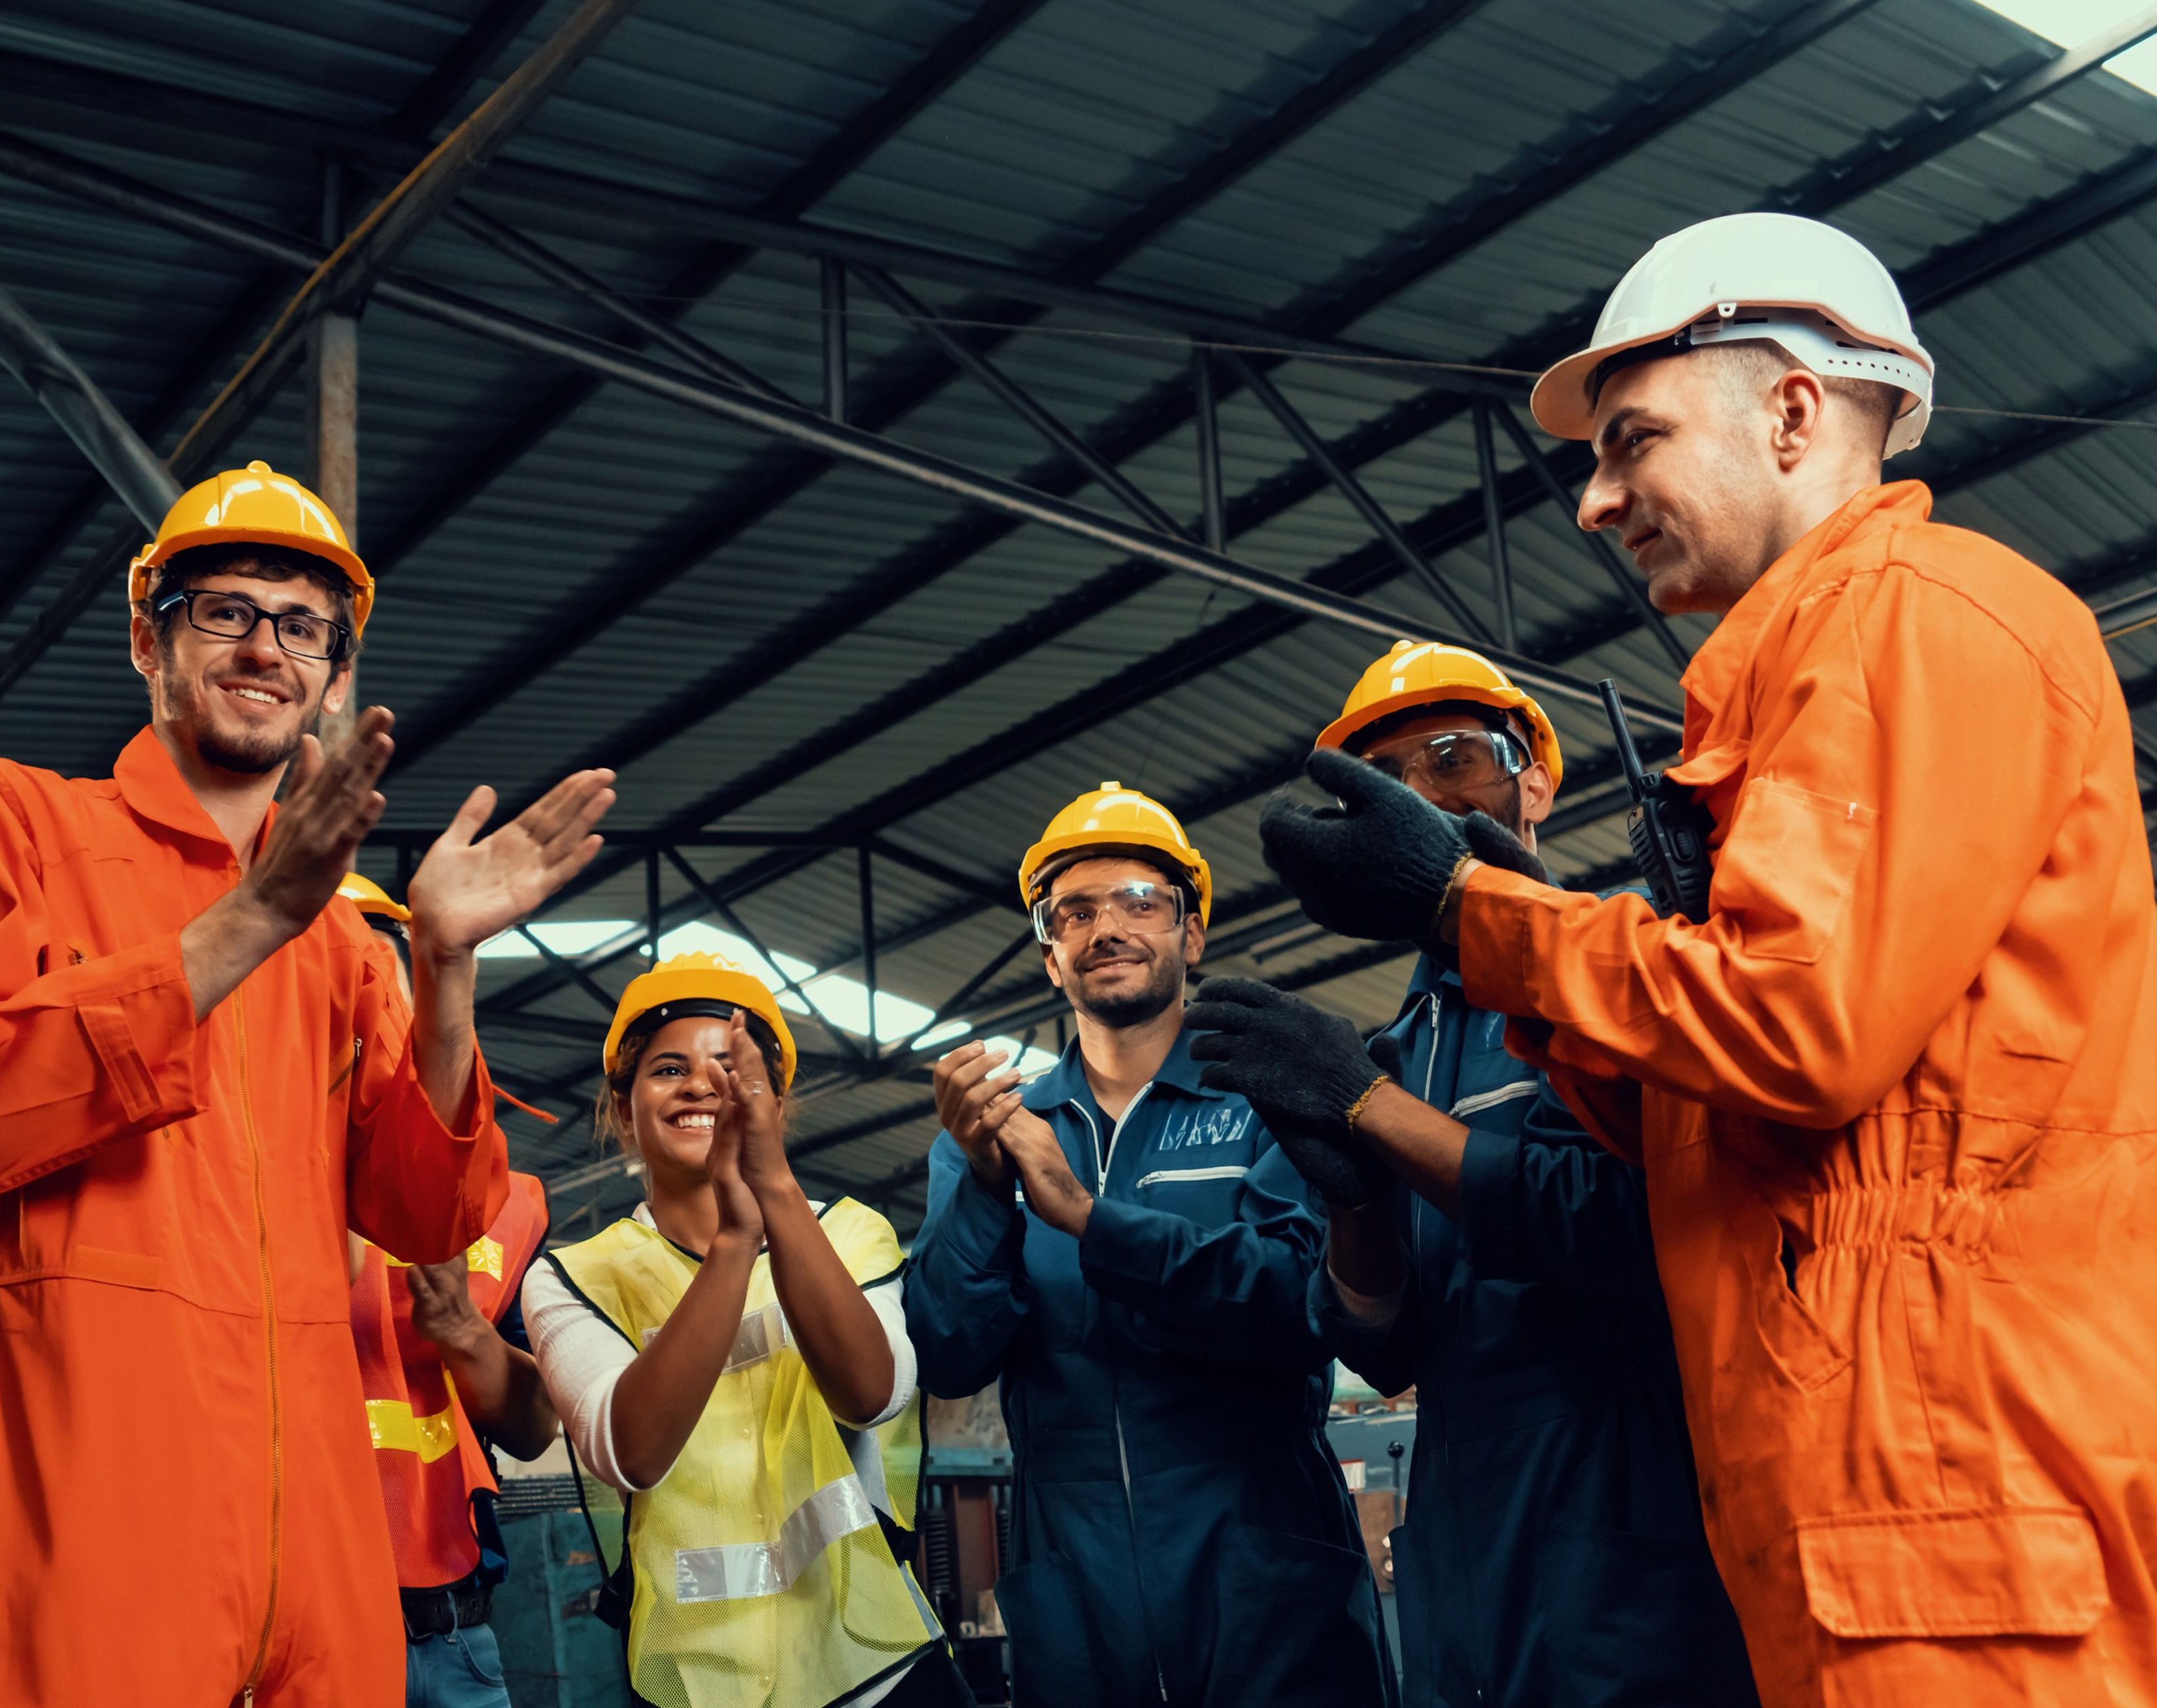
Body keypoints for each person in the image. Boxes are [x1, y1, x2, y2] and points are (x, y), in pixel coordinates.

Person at [1259, 213, 2157, 1705]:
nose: (1596, 501)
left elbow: (1804, 1026)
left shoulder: (1914, 622)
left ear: (1796, 411)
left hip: (1951, 1489)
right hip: (1867, 1493)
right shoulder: (1808, 668)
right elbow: (1731, 1110)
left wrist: (1469, 918)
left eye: (1633, 440)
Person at [0, 460, 616, 1708]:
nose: (263, 646)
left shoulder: (345, 944)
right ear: (145, 640)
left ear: (332, 674)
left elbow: (428, 1217)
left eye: (300, 625)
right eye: (222, 610)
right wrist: (254, 916)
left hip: (322, 1542)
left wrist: (441, 967)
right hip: (91, 1510)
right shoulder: (9, 823)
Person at [1183, 644, 1756, 1707]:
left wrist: (1372, 1112)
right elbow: (1383, 1343)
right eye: (1388, 780)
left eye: (1453, 759)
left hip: (1629, 1519)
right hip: (1460, 1538)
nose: (1423, 796)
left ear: (1535, 780)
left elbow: (1629, 1222)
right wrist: (1355, 1199)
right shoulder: (1397, 1048)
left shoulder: (1629, 974)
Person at [904, 784, 1394, 1708]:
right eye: (1075, 913)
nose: (1107, 927)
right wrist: (981, 1187)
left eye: (1142, 900)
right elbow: (948, 1352)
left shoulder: (1264, 1102)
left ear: (1191, 935)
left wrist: (1090, 1219)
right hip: (1081, 1613)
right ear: (1052, 957)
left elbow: (1302, 1303)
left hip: (1265, 1585)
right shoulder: (993, 1136)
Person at [520, 953, 967, 1708]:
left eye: (730, 1069)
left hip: (872, 1664)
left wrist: (773, 1192)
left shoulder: (849, 1231)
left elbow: (872, 1392)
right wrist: (735, 1242)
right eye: (667, 1069)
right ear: (621, 1107)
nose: (700, 1084)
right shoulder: (570, 1275)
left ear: (776, 1104)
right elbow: (629, 1450)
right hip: (691, 1681)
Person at [339, 874, 557, 1708]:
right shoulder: (235, 1199)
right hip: (310, 1633)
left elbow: (535, 1426)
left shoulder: (505, 1208)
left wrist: (465, 1332)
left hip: (459, 1635)